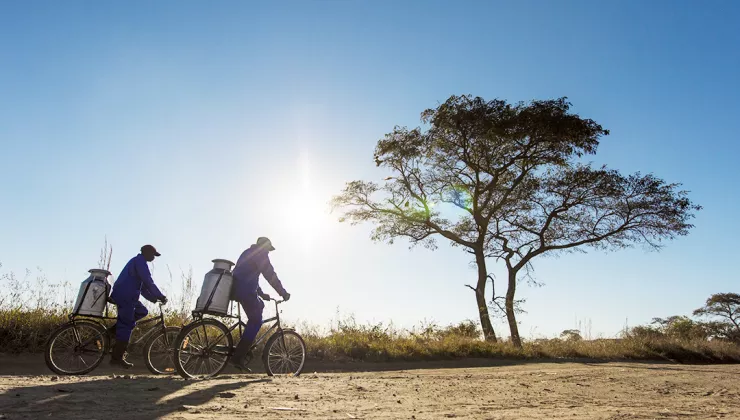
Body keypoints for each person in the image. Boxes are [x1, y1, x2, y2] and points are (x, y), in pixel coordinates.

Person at [230, 237, 290, 370]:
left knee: (260, 306)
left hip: (239, 289)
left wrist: (262, 294)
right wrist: (283, 293)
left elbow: (250, 276)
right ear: (264, 247)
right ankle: (239, 355)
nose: (268, 252)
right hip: (245, 291)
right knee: (256, 321)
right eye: (268, 249)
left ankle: (245, 347)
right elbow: (270, 275)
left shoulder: (248, 252)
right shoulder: (260, 254)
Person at [108, 244, 167, 369]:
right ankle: (116, 358)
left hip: (128, 296)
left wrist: (154, 298)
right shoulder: (140, 262)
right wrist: (161, 296)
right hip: (125, 296)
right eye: (153, 255)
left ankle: (113, 331)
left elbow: (144, 288)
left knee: (142, 311)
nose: (154, 258)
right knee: (127, 324)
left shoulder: (138, 261)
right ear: (146, 253)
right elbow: (148, 281)